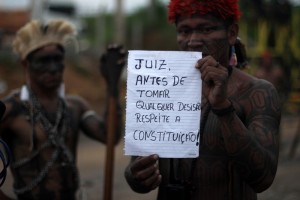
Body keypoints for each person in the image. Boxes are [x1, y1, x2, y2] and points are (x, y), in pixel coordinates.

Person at [124, 0, 281, 200]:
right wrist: (136, 177)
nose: (193, 40)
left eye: (206, 29)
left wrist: (223, 108)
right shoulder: (158, 88)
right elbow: (135, 171)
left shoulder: (256, 92)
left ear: (231, 33)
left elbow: (263, 178)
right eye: (184, 31)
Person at [0, 19, 125, 200]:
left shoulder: (75, 106)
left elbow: (110, 136)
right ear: (26, 64)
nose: (52, 68)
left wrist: (112, 84)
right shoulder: (11, 109)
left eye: (57, 59)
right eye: (43, 61)